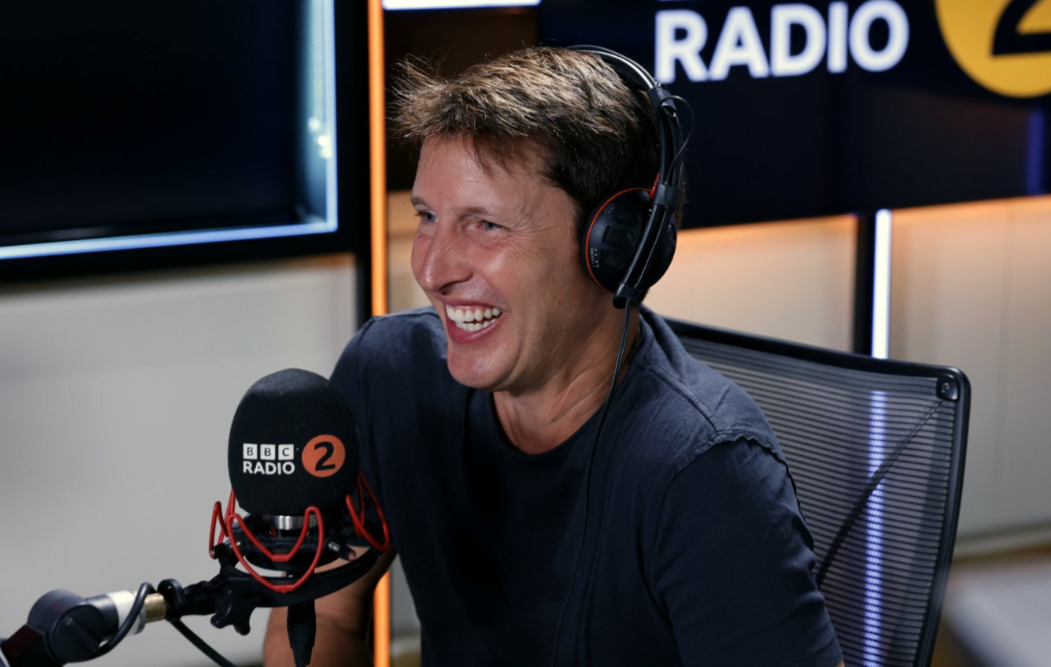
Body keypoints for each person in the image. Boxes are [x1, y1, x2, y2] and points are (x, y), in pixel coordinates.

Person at [265, 46, 843, 667]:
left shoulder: (706, 473)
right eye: (429, 216)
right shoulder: (389, 375)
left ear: (613, 246)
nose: (432, 270)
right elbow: (323, 613)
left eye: (485, 225)